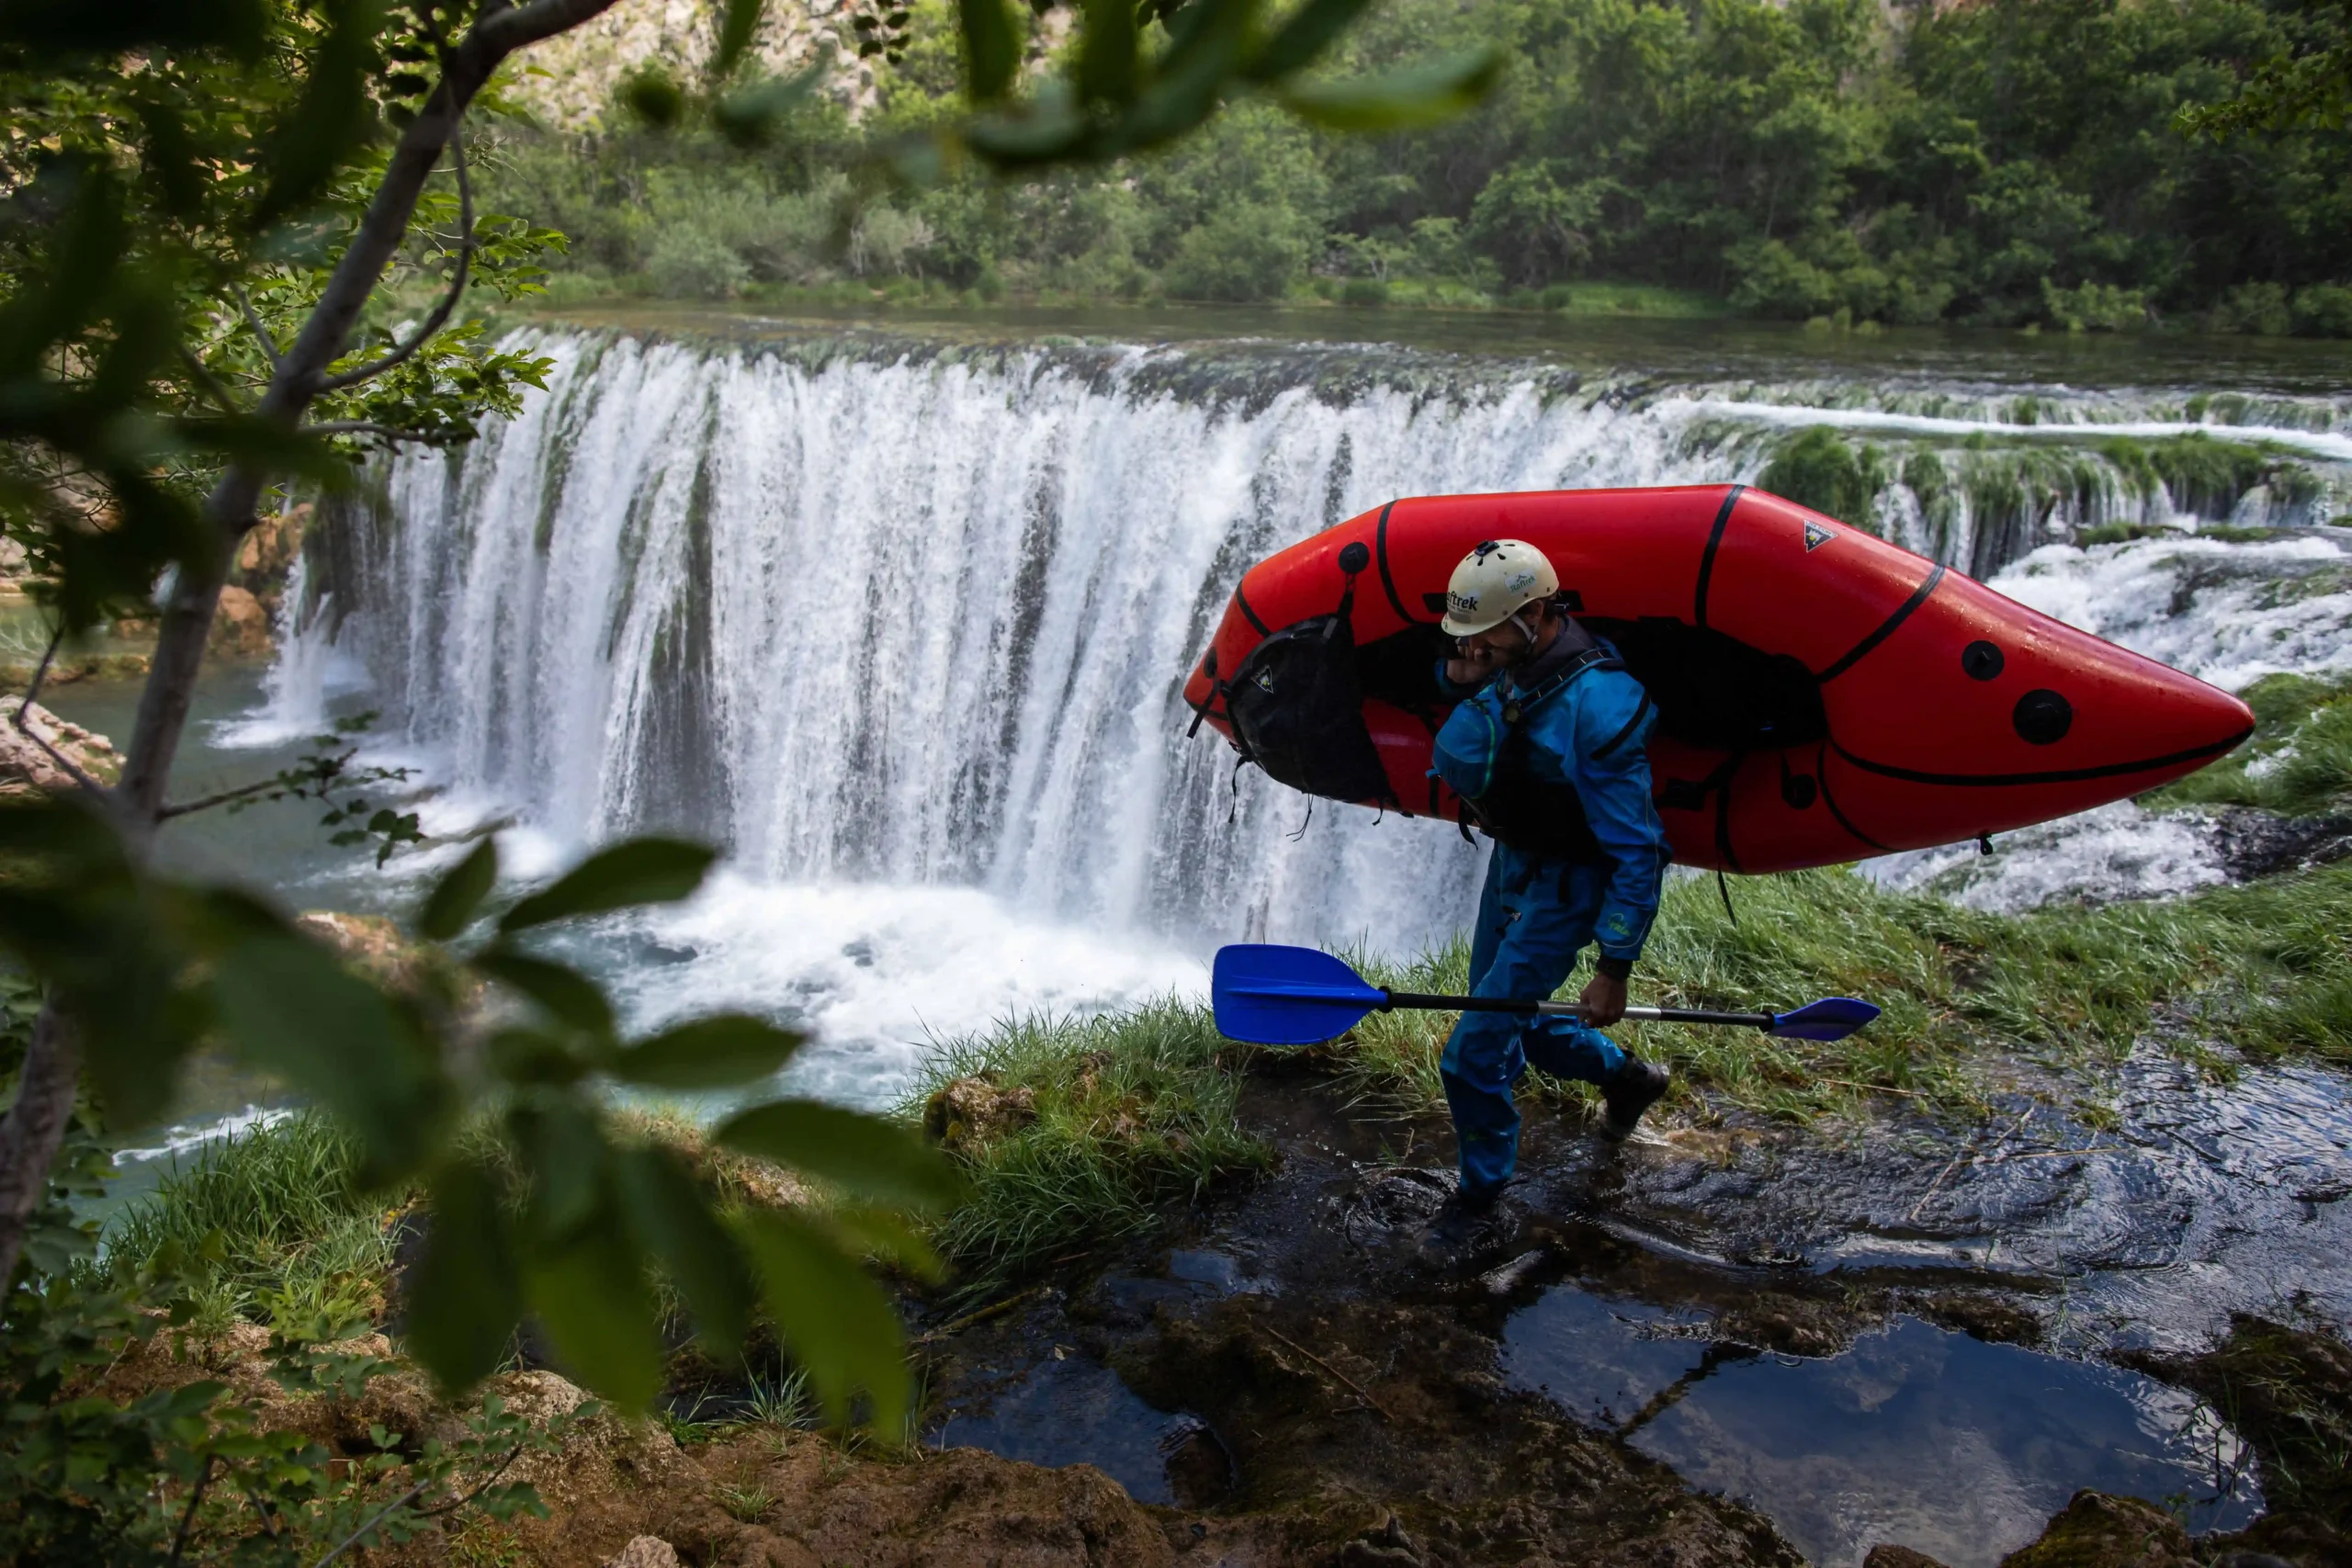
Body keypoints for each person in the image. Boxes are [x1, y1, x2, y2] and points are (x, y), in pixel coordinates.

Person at [1421, 538, 1673, 1250]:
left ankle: (1480, 1196)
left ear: (1534, 613)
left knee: (1471, 1052)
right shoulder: (1516, 657)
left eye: (1485, 637)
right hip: (1516, 866)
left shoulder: (1598, 709)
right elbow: (1486, 683)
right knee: (1516, 1024)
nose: (1474, 650)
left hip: (1566, 887)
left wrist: (1613, 968)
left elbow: (1638, 850)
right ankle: (1626, 1079)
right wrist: (1462, 669)